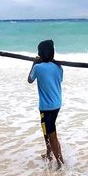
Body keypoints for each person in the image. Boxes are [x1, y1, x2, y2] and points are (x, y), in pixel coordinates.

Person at [27, 40, 64, 169]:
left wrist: (34, 63)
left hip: (46, 107)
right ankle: (49, 154)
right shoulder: (59, 67)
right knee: (46, 129)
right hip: (57, 104)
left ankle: (60, 162)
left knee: (51, 133)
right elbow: (59, 79)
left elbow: (30, 80)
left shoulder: (38, 67)